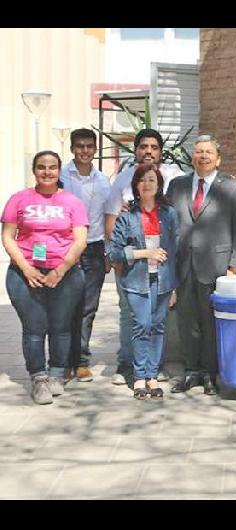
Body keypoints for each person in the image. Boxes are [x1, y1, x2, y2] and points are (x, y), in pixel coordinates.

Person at [1, 151, 88, 404]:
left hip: (65, 274)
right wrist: (27, 269)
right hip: (24, 274)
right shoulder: (19, 199)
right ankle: (38, 377)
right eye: (41, 167)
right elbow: (8, 236)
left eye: (52, 167)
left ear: (59, 171)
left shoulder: (72, 202)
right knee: (34, 328)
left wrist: (60, 270)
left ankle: (57, 374)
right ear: (34, 170)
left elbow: (80, 239)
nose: (47, 172)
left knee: (61, 327)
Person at [167, 135, 236, 396]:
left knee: (212, 324)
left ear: (218, 158)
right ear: (192, 157)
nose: (203, 156)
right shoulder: (177, 186)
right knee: (187, 320)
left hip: (217, 267)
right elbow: (168, 225)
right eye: (199, 151)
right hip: (183, 266)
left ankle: (211, 374)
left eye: (208, 152)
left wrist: (233, 267)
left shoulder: (232, 188)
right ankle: (191, 371)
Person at [105, 129, 178, 386]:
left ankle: (153, 368)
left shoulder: (174, 177)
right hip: (132, 265)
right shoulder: (122, 179)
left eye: (154, 147)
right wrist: (119, 259)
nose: (148, 151)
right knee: (131, 316)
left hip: (162, 269)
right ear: (135, 150)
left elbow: (175, 230)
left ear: (160, 151)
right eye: (143, 146)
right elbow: (111, 220)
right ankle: (127, 364)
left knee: (157, 321)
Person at [60, 128, 111, 384]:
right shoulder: (60, 177)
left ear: (95, 149)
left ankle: (80, 361)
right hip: (65, 249)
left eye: (90, 146)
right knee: (65, 307)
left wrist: (108, 252)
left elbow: (107, 218)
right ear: (72, 149)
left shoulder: (103, 181)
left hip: (94, 249)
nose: (85, 151)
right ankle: (63, 362)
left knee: (88, 308)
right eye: (80, 146)